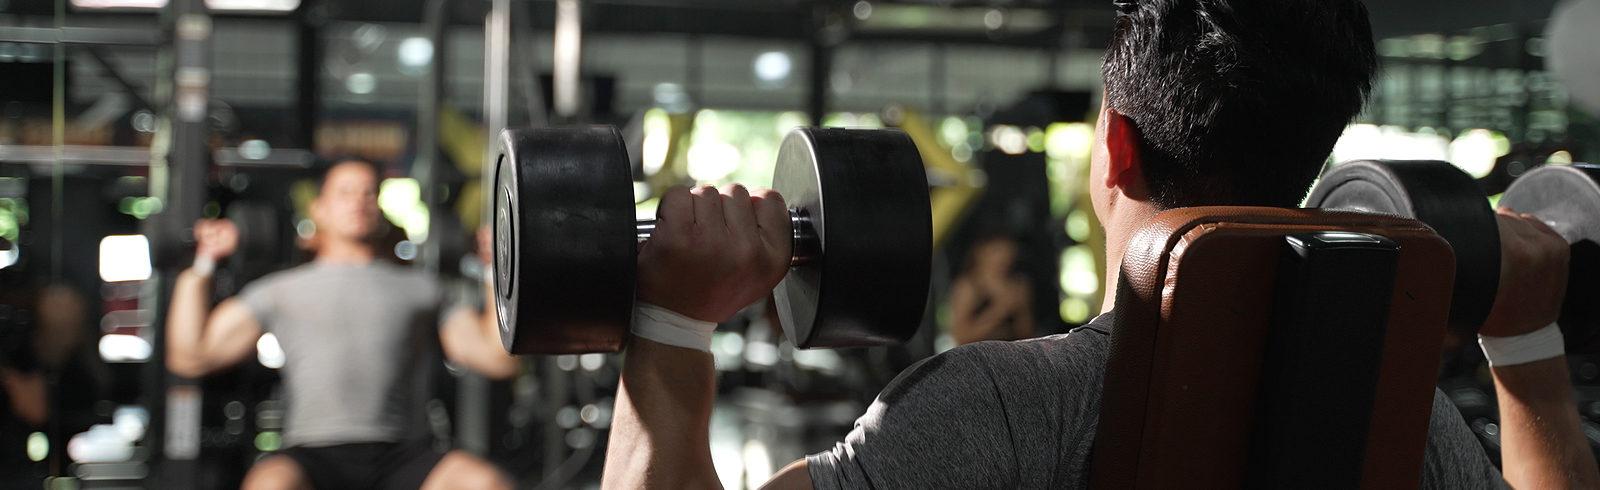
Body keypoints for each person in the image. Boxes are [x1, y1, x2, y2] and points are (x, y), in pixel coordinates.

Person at [599, 0, 1600, 488]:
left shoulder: (1002, 406)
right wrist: (1528, 355)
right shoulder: (1401, 422)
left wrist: (672, 314)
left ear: (1113, 145)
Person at [166, 159, 517, 490]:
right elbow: (191, 356)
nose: (359, 202)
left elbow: (496, 358)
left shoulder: (422, 288)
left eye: (369, 193)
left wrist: (494, 268)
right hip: (313, 456)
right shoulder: (278, 290)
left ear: (380, 208)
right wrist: (202, 263)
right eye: (345, 192)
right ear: (319, 208)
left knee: (485, 484)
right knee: (267, 485)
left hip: (405, 454)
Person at [949, 234, 1034, 345]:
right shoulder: (968, 287)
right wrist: (999, 310)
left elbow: (1027, 335)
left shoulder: (1018, 283)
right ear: (980, 253)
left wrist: (1021, 309)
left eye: (1008, 251)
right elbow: (961, 337)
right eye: (997, 251)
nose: (1004, 257)